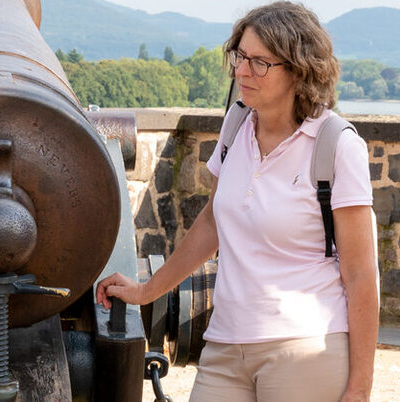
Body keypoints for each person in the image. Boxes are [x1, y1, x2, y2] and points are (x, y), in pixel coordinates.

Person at [94, 2, 378, 401]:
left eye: (259, 63)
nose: (241, 71)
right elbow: (212, 222)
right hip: (225, 346)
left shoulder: (337, 146)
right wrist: (147, 290)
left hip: (306, 350)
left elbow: (362, 275)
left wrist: (360, 387)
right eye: (240, 56)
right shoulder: (237, 124)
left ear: (298, 69)